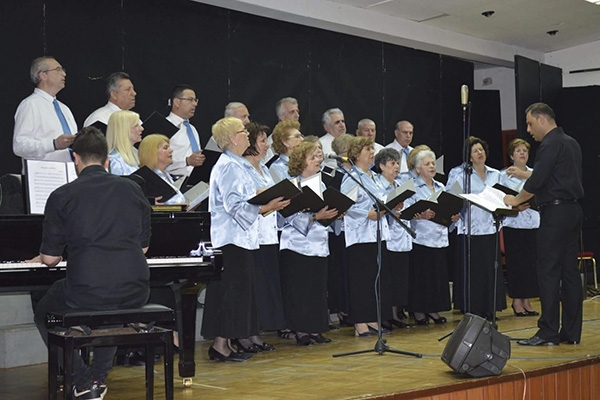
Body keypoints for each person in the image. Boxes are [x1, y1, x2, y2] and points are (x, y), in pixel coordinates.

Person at [33, 127, 151, 399]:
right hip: (135, 289)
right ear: (107, 160)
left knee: (44, 311)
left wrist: (43, 255)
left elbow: (50, 260)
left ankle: (83, 379)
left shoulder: (62, 195)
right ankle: (98, 376)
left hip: (86, 290)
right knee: (112, 307)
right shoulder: (133, 189)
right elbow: (143, 248)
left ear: (76, 159)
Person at [201, 117, 289, 361]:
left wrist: (268, 198)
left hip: (242, 238)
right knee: (231, 293)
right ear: (232, 138)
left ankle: (226, 343)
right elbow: (234, 205)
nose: (247, 135)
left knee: (239, 293)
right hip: (231, 239)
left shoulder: (237, 164)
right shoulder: (229, 166)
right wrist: (267, 206)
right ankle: (220, 345)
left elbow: (247, 195)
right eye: (243, 132)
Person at [504, 103, 584, 346]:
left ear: (541, 120)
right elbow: (555, 178)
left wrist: (515, 200)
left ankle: (548, 331)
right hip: (572, 210)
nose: (529, 130)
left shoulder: (550, 144)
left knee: (548, 271)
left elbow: (537, 181)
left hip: (555, 213)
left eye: (530, 124)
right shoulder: (571, 142)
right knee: (569, 272)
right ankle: (571, 332)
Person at [280, 141, 338, 345]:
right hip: (297, 244)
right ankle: (300, 330)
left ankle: (315, 328)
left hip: (319, 244)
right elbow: (286, 217)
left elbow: (324, 212)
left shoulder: (322, 185)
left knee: (317, 289)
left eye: (318, 157)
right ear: (300, 162)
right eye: (312, 157)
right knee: (300, 289)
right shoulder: (292, 186)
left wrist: (335, 213)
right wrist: (315, 216)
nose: (318, 160)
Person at [234, 122, 285, 353]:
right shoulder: (242, 167)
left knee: (262, 287)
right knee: (251, 288)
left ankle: (255, 333)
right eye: (263, 140)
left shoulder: (264, 168)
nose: (267, 145)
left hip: (268, 235)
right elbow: (245, 199)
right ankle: (245, 334)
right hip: (250, 236)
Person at [446, 136, 505, 320]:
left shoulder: (496, 174)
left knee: (490, 270)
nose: (480, 153)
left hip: (491, 227)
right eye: (475, 151)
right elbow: (450, 198)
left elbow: (503, 197)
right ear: (469, 156)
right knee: (474, 271)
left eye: (481, 149)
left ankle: (490, 307)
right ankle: (473, 308)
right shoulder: (460, 173)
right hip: (470, 228)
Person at [341, 137, 392, 336]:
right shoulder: (352, 177)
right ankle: (359, 322)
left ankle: (372, 318)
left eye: (372, 149)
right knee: (361, 280)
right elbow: (345, 206)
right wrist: (367, 214)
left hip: (378, 234)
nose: (372, 153)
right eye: (367, 149)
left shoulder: (374, 177)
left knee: (375, 279)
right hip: (360, 236)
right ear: (356, 154)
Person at [408, 150, 459, 325]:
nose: (431, 166)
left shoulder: (440, 186)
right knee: (422, 276)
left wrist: (452, 217)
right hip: (421, 237)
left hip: (439, 237)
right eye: (427, 164)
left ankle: (433, 309)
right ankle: (419, 311)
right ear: (417, 168)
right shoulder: (412, 187)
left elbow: (447, 208)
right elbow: (406, 212)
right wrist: (421, 215)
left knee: (437, 276)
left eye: (433, 163)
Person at [499, 138, 540, 317]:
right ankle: (517, 301)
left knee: (531, 264)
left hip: (534, 223)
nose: (522, 153)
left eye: (525, 150)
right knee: (517, 264)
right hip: (514, 224)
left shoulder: (535, 173)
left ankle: (527, 300)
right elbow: (500, 197)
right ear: (511, 155)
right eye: (518, 150)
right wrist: (514, 206)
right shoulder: (503, 175)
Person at [373, 148, 412, 329]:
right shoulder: (378, 185)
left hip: (402, 237)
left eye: (397, 163)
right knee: (387, 278)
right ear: (382, 166)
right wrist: (392, 211)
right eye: (392, 163)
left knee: (399, 278)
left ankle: (396, 313)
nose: (396, 166)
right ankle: (386, 315)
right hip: (387, 238)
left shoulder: (400, 185)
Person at [13, 56, 77, 166]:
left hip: (71, 172)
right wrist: (53, 144)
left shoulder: (65, 109)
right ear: (43, 75)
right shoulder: (30, 105)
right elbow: (19, 146)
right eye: (58, 69)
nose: (64, 74)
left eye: (63, 70)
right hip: (44, 173)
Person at [137, 134, 186, 204]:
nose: (171, 150)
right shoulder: (148, 180)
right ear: (152, 153)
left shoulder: (167, 175)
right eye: (165, 148)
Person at [262, 97, 301, 164]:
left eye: (297, 111)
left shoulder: (301, 138)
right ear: (281, 117)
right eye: (292, 112)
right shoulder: (271, 143)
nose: (297, 115)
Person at [106, 110, 143, 175]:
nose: (141, 128)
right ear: (123, 130)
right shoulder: (115, 162)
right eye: (136, 125)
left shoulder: (135, 155)